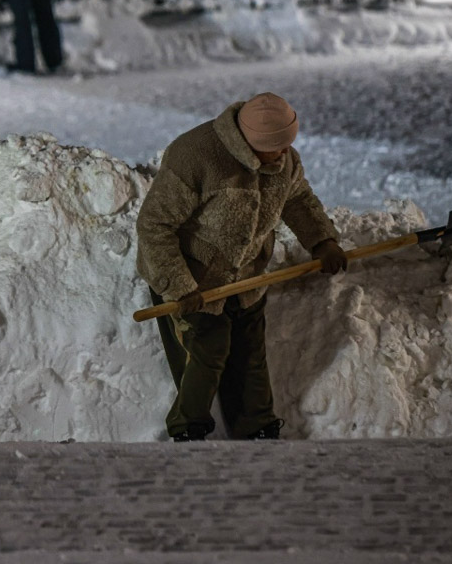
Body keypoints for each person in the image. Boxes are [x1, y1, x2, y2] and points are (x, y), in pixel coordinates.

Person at [135, 92, 348, 442]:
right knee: (207, 349)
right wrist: (179, 285)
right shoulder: (195, 156)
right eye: (276, 148)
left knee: (250, 352)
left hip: (247, 275)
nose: (284, 155)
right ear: (252, 142)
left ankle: (257, 426)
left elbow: (297, 199)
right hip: (193, 275)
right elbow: (154, 225)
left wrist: (322, 241)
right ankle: (188, 428)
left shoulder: (284, 160)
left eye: (287, 146)